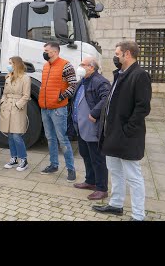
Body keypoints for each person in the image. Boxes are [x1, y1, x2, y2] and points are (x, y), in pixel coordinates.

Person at [92, 41, 152, 221]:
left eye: (117, 53)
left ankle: (138, 215)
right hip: (112, 134)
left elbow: (142, 108)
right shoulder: (120, 74)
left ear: (127, 54)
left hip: (126, 135)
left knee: (133, 176)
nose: (115, 56)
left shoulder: (140, 75)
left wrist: (128, 129)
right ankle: (116, 205)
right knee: (115, 171)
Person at [72, 56, 111, 200]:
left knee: (97, 158)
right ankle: (90, 181)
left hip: (92, 126)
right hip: (81, 126)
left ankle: (101, 188)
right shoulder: (83, 81)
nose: (80, 66)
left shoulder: (100, 81)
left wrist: (95, 112)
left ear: (92, 68)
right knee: (86, 155)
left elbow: (106, 98)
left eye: (83, 64)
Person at [39, 42, 78, 182]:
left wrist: (61, 97)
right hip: (45, 108)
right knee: (50, 138)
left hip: (58, 109)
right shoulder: (45, 66)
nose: (44, 52)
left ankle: (70, 169)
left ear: (54, 52)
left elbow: (73, 85)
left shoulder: (66, 65)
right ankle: (54, 165)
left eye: (46, 50)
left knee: (63, 139)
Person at [0, 56, 31, 172]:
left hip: (17, 109)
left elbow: (26, 95)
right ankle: (14, 158)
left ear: (16, 64)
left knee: (16, 135)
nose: (9, 65)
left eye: (11, 63)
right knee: (10, 135)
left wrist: (17, 105)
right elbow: (4, 93)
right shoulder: (8, 77)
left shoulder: (25, 78)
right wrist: (2, 102)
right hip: (7, 107)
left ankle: (23, 159)